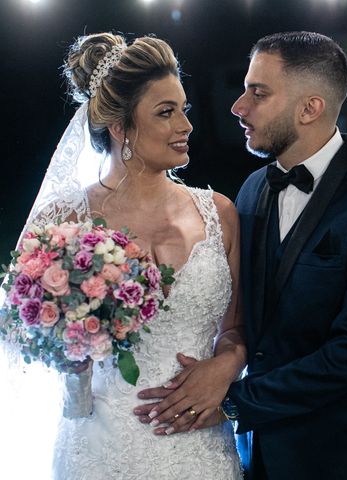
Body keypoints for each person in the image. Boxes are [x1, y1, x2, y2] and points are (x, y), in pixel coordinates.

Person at [136, 31, 347, 479]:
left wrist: (233, 403)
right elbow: (247, 311)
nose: (238, 106)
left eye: (258, 92)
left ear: (309, 108)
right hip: (266, 455)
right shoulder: (252, 191)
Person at [1, 33, 246, 479]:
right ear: (120, 127)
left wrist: (227, 365)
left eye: (184, 110)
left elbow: (236, 328)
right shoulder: (64, 221)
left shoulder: (221, 214)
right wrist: (69, 353)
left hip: (198, 445)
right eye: (165, 113)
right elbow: (21, 333)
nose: (186, 126)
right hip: (98, 447)